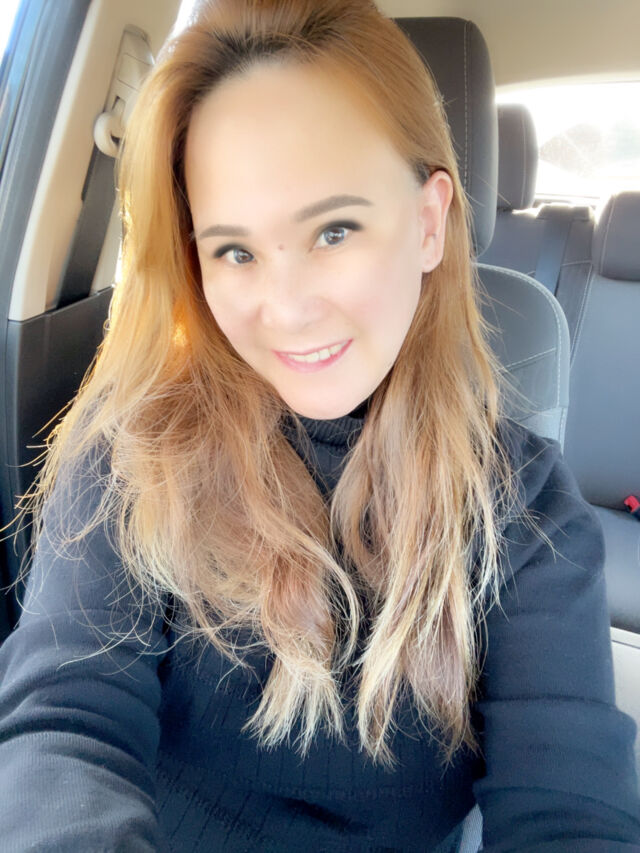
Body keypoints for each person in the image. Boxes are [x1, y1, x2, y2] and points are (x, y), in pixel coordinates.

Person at [0, 0, 639, 850]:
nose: (288, 309)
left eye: (334, 230)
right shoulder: (133, 452)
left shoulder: (524, 508)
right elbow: (64, 729)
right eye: (235, 251)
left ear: (427, 223)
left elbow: (569, 810)